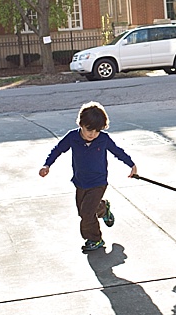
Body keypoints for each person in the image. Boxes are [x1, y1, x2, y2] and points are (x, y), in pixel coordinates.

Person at [39, 102, 137, 253]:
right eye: (89, 130)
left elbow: (117, 151)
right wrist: (47, 165)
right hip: (80, 181)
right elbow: (58, 149)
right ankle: (103, 208)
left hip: (98, 182)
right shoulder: (72, 137)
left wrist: (131, 164)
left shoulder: (103, 139)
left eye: (97, 131)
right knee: (83, 211)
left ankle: (95, 239)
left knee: (86, 213)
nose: (92, 134)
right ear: (81, 124)